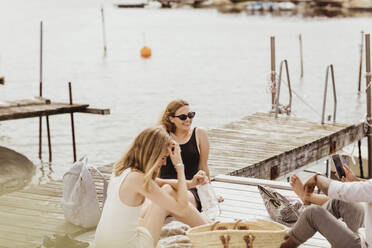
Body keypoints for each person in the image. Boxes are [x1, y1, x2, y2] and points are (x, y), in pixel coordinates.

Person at [95, 126, 209, 248]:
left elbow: (159, 182)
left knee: (166, 188)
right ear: (152, 154)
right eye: (163, 158)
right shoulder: (138, 179)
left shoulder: (123, 170)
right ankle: (210, 232)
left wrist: (191, 183)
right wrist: (179, 166)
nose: (165, 163)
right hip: (129, 245)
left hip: (104, 243)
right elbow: (182, 208)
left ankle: (209, 227)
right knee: (168, 191)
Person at [281, 164, 372, 248]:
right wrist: (355, 180)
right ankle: (303, 221)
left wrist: (317, 178)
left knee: (312, 213)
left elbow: (336, 189)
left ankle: (281, 243)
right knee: (340, 200)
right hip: (365, 233)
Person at [158, 99, 217, 212]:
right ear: (171, 119)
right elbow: (155, 166)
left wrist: (210, 195)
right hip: (166, 184)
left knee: (172, 198)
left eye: (190, 115)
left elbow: (203, 167)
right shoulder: (162, 135)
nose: (188, 119)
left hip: (191, 188)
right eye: (183, 117)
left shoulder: (199, 134)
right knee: (167, 191)